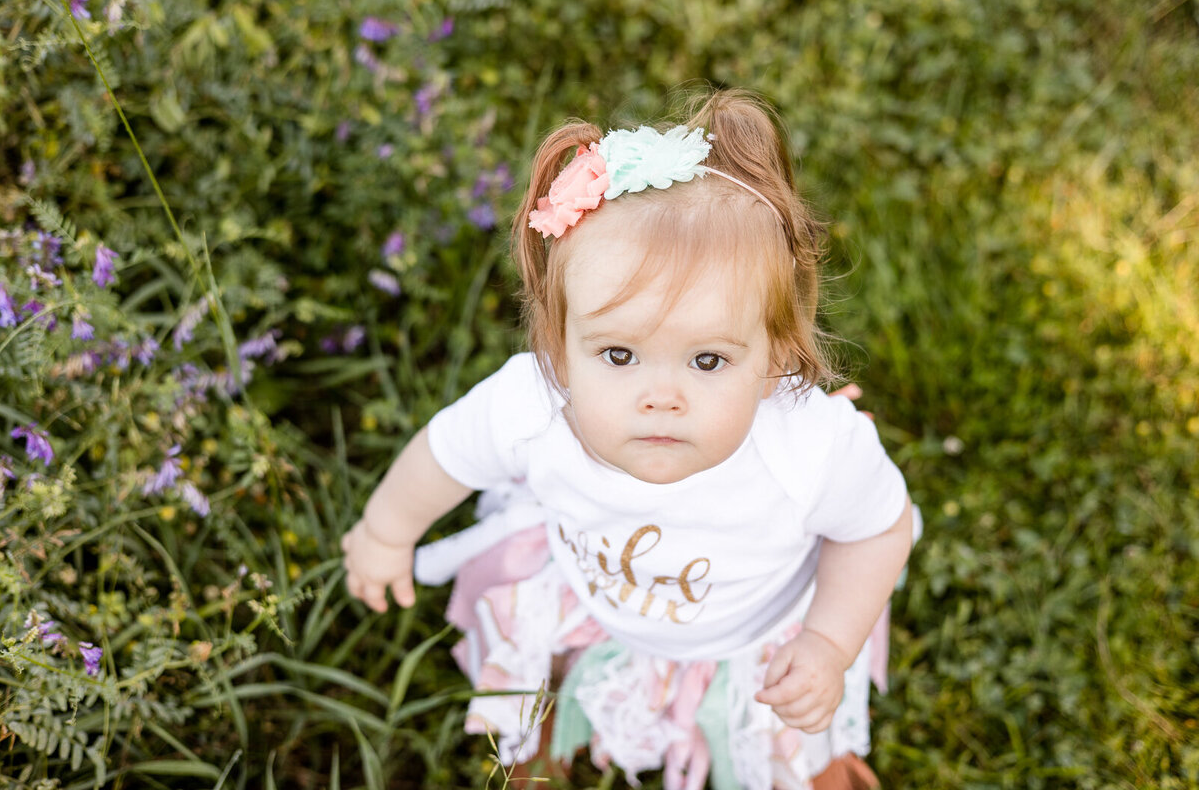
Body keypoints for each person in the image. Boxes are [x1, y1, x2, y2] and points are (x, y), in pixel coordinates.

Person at [341, 88, 916, 790]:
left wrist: (828, 642)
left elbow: (879, 530)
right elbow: (445, 454)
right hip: (596, 597)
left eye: (708, 361)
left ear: (775, 357)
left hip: (755, 636)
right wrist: (384, 532)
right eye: (618, 356)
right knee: (551, 653)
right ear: (559, 345)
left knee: (788, 716)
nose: (661, 397)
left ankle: (811, 755)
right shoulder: (533, 404)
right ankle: (551, 725)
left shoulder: (808, 446)